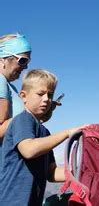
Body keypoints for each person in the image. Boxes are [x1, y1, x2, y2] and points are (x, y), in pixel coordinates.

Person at [0, 69, 84, 206]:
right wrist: (67, 133)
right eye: (40, 94)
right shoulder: (22, 120)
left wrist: (84, 171)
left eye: (50, 95)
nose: (47, 99)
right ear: (23, 96)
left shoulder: (44, 133)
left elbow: (51, 173)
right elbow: (29, 150)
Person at [0, 33, 32, 140]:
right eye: (23, 60)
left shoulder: (10, 87)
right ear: (3, 58)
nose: (26, 66)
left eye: (28, 61)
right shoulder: (0, 80)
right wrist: (32, 112)